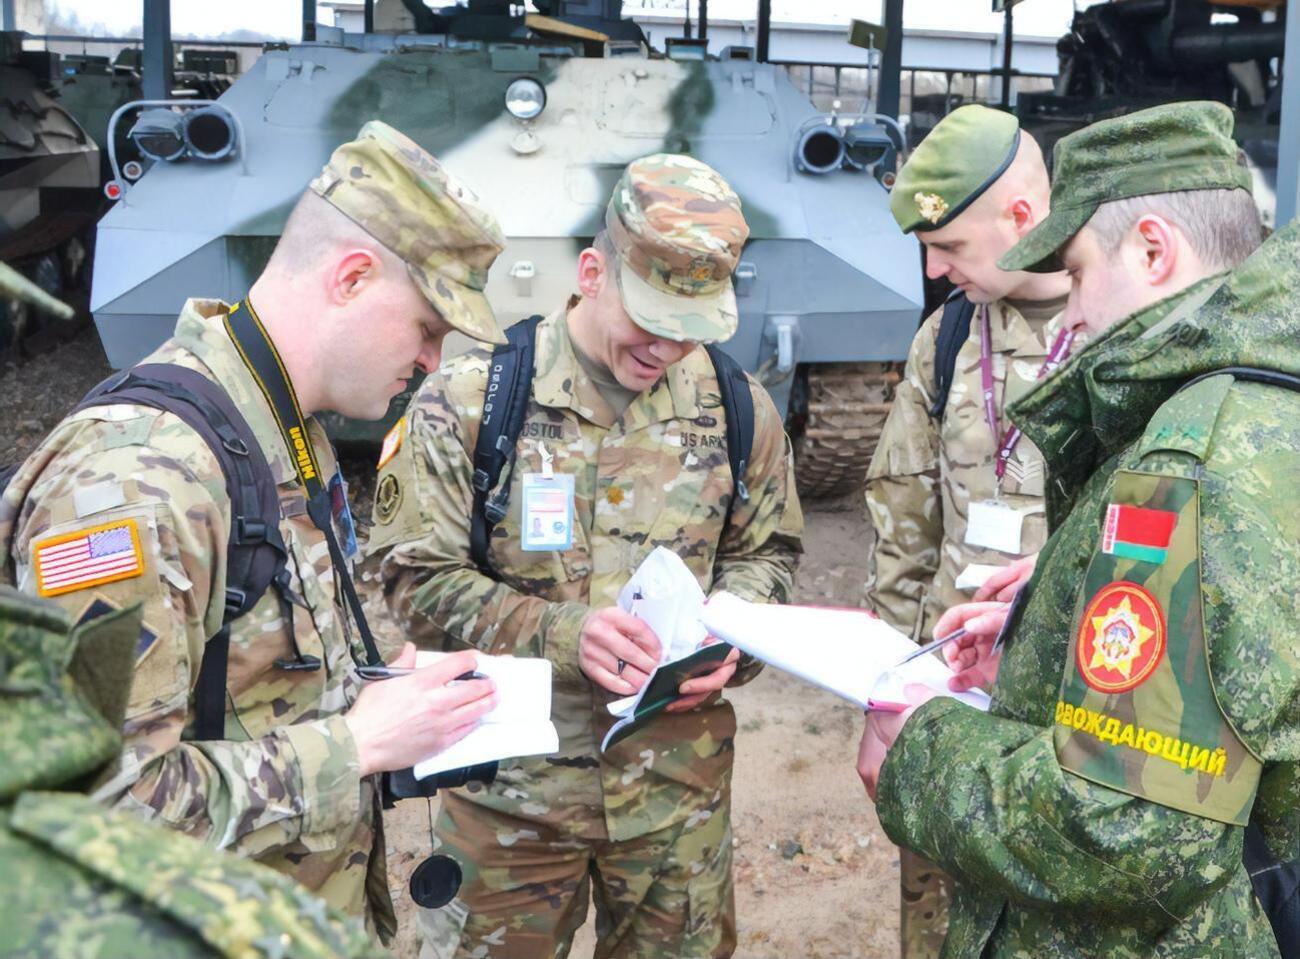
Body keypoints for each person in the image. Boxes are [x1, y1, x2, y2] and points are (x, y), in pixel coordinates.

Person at [0, 121, 505, 940]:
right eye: (426, 328)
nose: (433, 364)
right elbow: (94, 810)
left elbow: (244, 680)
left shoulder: (279, 424)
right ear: (351, 277)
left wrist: (372, 692)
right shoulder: (139, 478)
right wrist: (357, 742)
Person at [858, 101, 1297, 956]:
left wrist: (923, 753)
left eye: (1079, 267)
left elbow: (1126, 821)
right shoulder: (1263, 400)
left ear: (1154, 250)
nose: (1072, 309)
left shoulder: (1191, 465)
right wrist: (1059, 598)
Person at [369, 152, 803, 958]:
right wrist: (567, 632)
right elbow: (412, 578)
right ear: (592, 271)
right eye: (651, 319)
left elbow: (767, 555)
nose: (669, 347)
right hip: (509, 802)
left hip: (677, 803)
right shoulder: (474, 400)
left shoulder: (740, 409)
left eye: (693, 326)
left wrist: (732, 637)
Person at [865, 104, 1076, 958]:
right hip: (951, 699)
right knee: (938, 922)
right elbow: (901, 522)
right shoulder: (946, 338)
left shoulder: (1119, 338)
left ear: (1022, 218)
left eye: (948, 246)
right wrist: (887, 692)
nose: (932, 267)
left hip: (1066, 724)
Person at [0, 584, 383, 959]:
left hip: (305, 887)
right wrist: (349, 746)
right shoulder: (133, 525)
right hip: (220, 918)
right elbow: (118, 797)